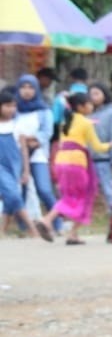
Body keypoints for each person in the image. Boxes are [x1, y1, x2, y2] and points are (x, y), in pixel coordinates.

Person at [38, 91, 112, 244]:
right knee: (83, 196)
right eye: (89, 103)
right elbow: (98, 147)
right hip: (77, 163)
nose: (91, 106)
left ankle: (72, 233)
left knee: (70, 196)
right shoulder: (86, 123)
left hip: (61, 161)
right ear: (81, 107)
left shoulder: (65, 122)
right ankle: (48, 220)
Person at [0, 91, 46, 240]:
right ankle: (33, 229)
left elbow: (24, 150)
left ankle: (2, 231)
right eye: (7, 106)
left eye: (13, 106)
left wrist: (26, 170)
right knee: (13, 195)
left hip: (15, 166)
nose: (11, 109)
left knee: (10, 197)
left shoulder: (17, 126)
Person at [14, 74, 57, 226]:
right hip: (17, 154)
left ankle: (56, 222)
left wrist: (34, 140)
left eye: (31, 87)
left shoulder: (43, 110)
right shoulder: (14, 109)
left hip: (37, 154)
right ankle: (23, 226)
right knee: (21, 191)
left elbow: (47, 132)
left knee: (44, 189)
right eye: (23, 87)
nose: (27, 91)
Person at [88, 81, 112, 215]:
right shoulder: (89, 114)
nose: (93, 97)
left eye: (96, 93)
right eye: (91, 94)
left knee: (109, 190)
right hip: (91, 159)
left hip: (105, 159)